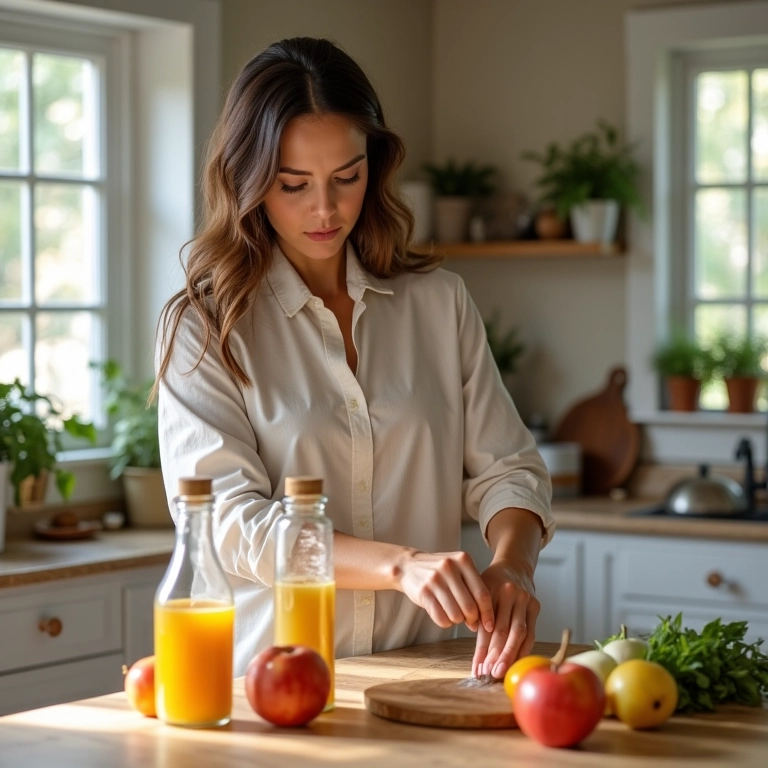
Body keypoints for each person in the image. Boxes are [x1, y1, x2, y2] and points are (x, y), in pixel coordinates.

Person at [153, 36, 554, 681]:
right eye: (293, 184)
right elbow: (229, 524)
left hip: (427, 673)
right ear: (246, 180)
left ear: (376, 165)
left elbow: (508, 469)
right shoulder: (205, 328)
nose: (325, 208)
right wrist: (399, 566)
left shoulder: (439, 303)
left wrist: (513, 564)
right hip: (273, 684)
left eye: (347, 177)